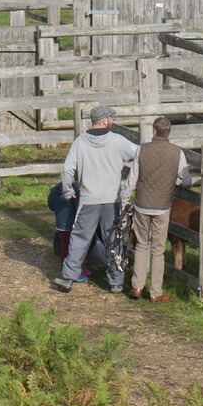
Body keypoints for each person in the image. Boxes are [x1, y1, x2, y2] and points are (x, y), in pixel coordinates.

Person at [52, 105, 139, 294]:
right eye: (111, 118)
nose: (113, 121)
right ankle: (116, 281)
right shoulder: (118, 141)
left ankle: (68, 277)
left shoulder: (80, 142)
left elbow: (67, 169)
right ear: (105, 120)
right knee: (114, 238)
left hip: (88, 199)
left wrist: (67, 190)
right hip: (111, 199)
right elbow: (139, 154)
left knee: (79, 238)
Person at [126, 117, 194, 303]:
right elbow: (187, 181)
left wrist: (124, 199)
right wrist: (180, 183)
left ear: (154, 131)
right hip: (163, 207)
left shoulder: (142, 149)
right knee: (158, 249)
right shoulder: (177, 153)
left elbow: (132, 179)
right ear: (169, 133)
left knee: (141, 245)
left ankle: (137, 286)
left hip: (142, 204)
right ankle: (155, 292)